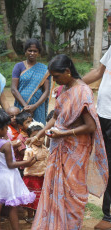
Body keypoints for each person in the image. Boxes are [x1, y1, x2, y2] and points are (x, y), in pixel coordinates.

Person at [30, 54, 108, 229]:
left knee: (73, 193)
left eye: (57, 77)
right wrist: (39, 134)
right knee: (55, 190)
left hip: (76, 150)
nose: (55, 81)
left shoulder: (83, 91)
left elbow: (90, 126)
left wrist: (64, 134)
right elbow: (56, 117)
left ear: (67, 71)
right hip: (60, 146)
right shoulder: (65, 89)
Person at [0, 107, 36, 230]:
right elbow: (10, 164)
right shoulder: (5, 144)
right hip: (8, 176)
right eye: (6, 128)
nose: (8, 130)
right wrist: (27, 162)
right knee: (12, 206)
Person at [82, 11, 111, 229]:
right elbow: (99, 72)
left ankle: (108, 218)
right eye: (109, 25)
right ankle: (107, 214)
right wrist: (73, 84)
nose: (110, 29)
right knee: (105, 164)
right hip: (104, 115)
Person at [11, 38, 51, 124]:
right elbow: (14, 89)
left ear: (39, 53)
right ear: (25, 52)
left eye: (35, 51)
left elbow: (47, 91)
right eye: (30, 50)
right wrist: (25, 106)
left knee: (37, 129)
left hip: (38, 106)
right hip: (21, 105)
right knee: (21, 131)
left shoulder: (44, 69)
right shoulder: (19, 66)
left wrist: (34, 106)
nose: (32, 53)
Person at [21, 122, 49, 224]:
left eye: (41, 136)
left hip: (42, 178)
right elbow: (26, 164)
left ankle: (38, 216)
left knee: (39, 199)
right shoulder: (29, 150)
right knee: (31, 199)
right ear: (30, 137)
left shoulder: (46, 149)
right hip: (31, 178)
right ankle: (30, 217)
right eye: (35, 136)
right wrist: (36, 158)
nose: (38, 139)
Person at [14, 111, 33, 176]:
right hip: (22, 166)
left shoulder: (32, 134)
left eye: (31, 121)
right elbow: (22, 152)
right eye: (28, 122)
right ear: (20, 126)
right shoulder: (20, 137)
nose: (31, 124)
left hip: (30, 164)